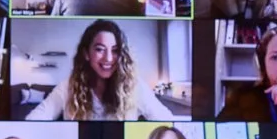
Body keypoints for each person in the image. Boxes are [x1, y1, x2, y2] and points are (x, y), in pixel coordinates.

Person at [25, 19, 171, 120]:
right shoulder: (69, 86)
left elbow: (167, 121)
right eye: (100, 49)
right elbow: (37, 117)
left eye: (115, 50)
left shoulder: (135, 86)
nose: (108, 58)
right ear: (86, 54)